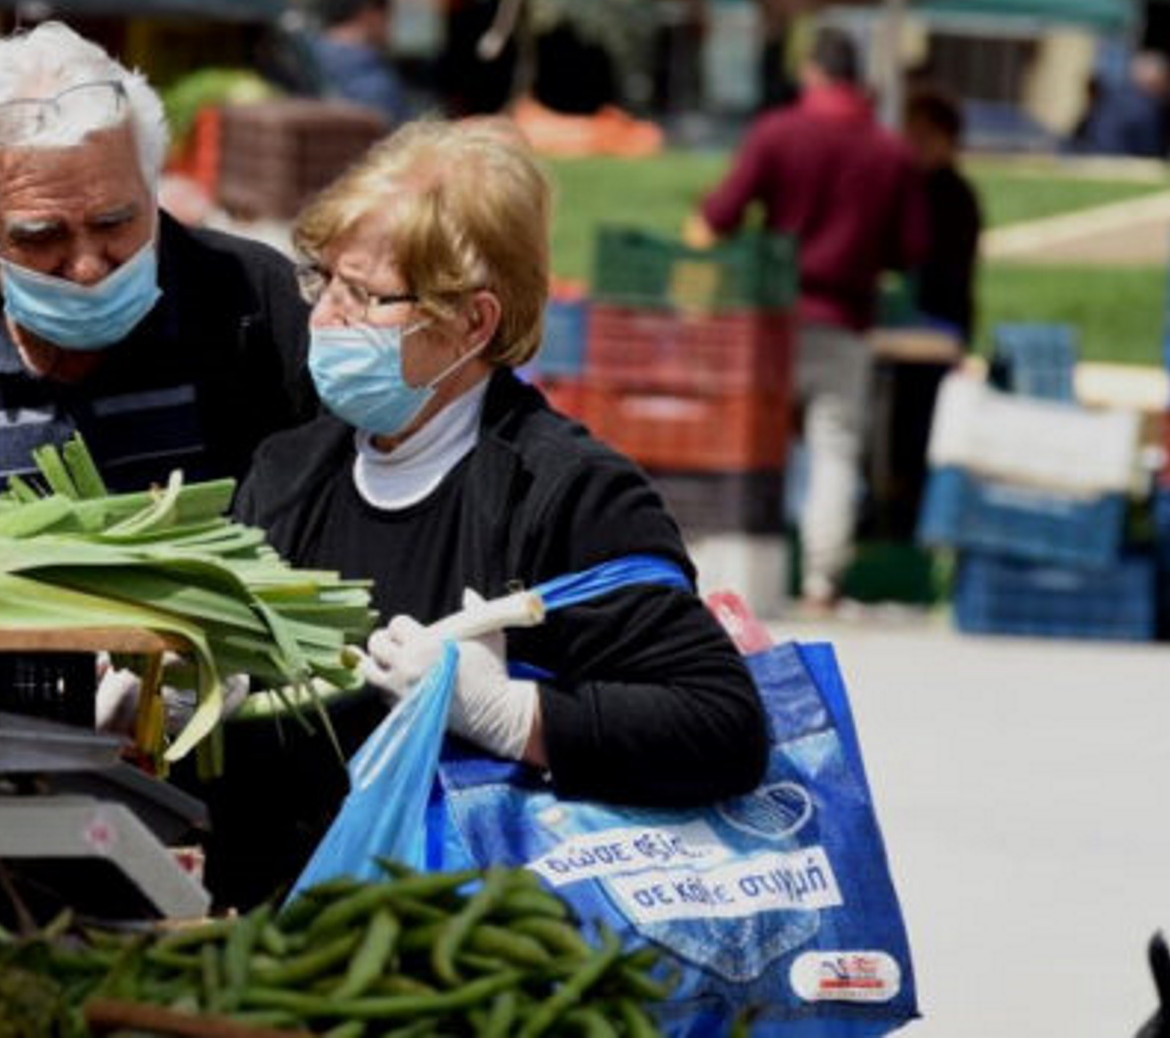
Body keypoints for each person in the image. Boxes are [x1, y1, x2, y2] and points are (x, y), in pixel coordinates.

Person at [196, 119, 770, 909]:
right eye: (324, 280)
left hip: (455, 952)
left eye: (365, 296)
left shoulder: (567, 494)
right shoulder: (289, 470)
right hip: (275, 939)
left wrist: (509, 716)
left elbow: (721, 727)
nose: (325, 318)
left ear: (473, 322)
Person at [0, 21, 318, 715]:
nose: (86, 266)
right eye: (41, 236)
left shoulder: (256, 310)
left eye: (116, 222)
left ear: (153, 186)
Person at [689, 27, 925, 614]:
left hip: (771, 326)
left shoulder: (777, 133)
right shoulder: (890, 151)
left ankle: (733, 570)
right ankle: (823, 581)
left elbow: (721, 215)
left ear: (813, 72)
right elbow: (911, 248)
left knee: (752, 443)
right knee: (835, 451)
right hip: (845, 322)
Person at [903, 87, 982, 343]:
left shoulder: (953, 196)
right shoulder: (915, 186)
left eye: (923, 136)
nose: (913, 144)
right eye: (910, 134)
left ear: (947, 139)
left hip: (940, 320)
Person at [310, 0, 411, 123]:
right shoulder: (367, 71)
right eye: (392, 16)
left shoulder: (303, 57)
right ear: (370, 14)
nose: (396, 26)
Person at [1074, 49, 1170, 159]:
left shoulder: (1113, 96)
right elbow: (1149, 151)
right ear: (1156, 80)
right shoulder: (1145, 106)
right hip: (1118, 161)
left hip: (1092, 154)